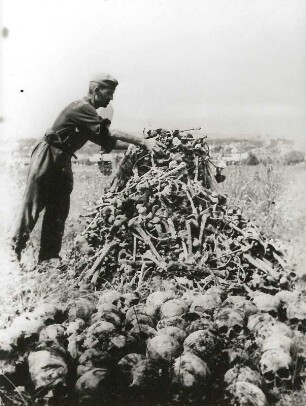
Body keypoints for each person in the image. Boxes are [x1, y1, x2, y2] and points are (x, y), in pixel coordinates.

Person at [11, 74, 161, 263]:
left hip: (63, 158)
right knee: (33, 205)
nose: (111, 98)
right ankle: (11, 251)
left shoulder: (89, 115)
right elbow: (110, 133)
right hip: (49, 155)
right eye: (109, 93)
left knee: (59, 209)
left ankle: (48, 259)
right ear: (96, 90)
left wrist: (136, 146)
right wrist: (142, 142)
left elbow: (106, 140)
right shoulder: (82, 108)